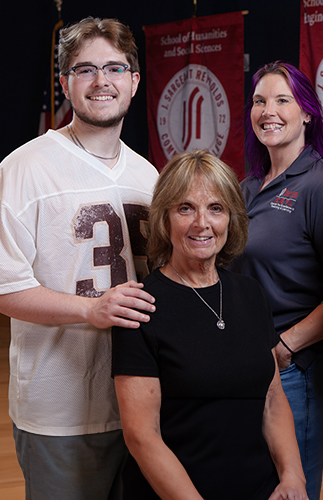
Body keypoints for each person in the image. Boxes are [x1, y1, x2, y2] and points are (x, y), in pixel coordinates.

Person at [0, 17, 159, 499]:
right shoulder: (24, 167)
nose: (101, 81)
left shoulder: (148, 176)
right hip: (60, 410)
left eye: (115, 68)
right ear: (65, 81)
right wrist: (90, 310)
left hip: (139, 403)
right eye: (84, 69)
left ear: (134, 80)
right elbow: (5, 288)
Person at [112, 149, 307, 500]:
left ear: (231, 218)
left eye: (215, 208)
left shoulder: (250, 294)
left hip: (258, 490)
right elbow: (142, 436)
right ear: (164, 219)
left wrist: (293, 478)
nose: (202, 223)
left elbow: (273, 400)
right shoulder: (140, 307)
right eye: (185, 208)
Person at [228, 61, 323, 500]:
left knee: (291, 487)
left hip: (301, 368)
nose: (269, 111)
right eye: (260, 101)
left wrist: (288, 344)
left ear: (308, 113)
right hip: (254, 364)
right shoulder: (247, 187)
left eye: (283, 100)